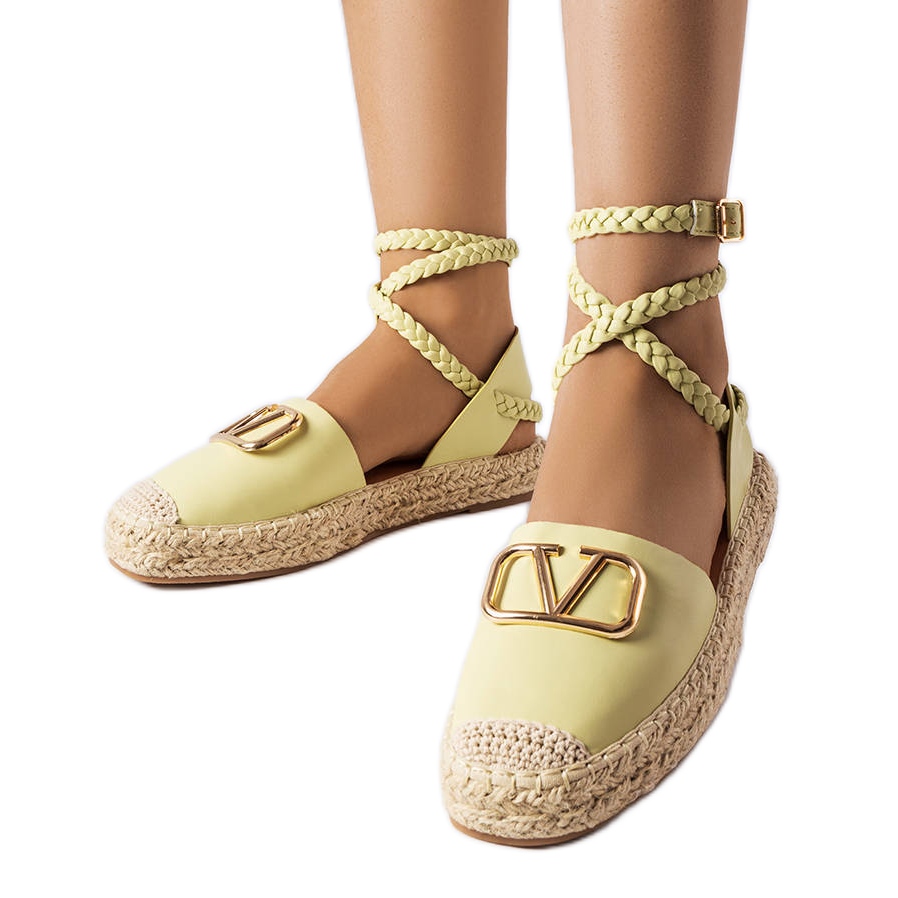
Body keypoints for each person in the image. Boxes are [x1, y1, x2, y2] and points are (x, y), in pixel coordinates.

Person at [106, 0, 776, 845]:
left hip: (659, 362)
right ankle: (442, 328)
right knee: (431, 288)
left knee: (642, 315)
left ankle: (653, 362)